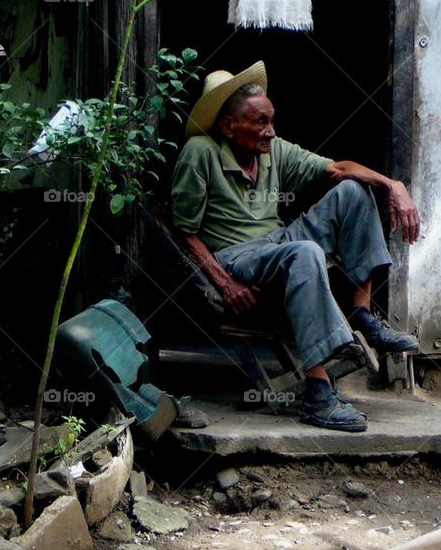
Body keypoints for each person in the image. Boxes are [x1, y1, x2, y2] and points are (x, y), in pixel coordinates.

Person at [171, 61, 421, 432]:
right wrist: (224, 283)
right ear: (227, 126)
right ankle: (318, 394)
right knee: (306, 252)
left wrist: (393, 185)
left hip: (279, 241)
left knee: (353, 190)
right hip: (238, 256)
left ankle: (363, 315)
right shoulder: (200, 152)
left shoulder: (274, 150)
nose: (270, 131)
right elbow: (185, 231)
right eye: (260, 123)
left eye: (271, 121)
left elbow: (339, 168)